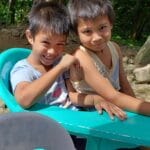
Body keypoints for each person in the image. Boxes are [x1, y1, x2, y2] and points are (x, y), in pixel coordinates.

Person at [10, 1, 126, 120]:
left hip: (77, 118)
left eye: (60, 44)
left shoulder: (61, 61)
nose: (52, 51)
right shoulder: (23, 69)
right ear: (30, 37)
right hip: (53, 126)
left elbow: (72, 96)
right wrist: (59, 68)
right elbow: (24, 100)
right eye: (45, 43)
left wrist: (96, 99)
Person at [67, 0, 150, 116]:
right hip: (94, 114)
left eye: (102, 28)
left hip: (116, 106)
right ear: (76, 34)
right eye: (87, 31)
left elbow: (125, 86)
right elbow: (112, 96)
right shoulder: (81, 56)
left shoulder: (115, 48)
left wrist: (140, 116)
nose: (96, 37)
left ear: (111, 24)